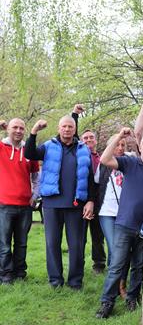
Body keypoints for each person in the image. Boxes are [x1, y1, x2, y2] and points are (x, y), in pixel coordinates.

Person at [96, 130, 143, 318]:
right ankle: (107, 302)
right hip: (124, 225)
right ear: (140, 148)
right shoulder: (129, 163)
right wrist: (119, 136)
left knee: (139, 265)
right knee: (116, 266)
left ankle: (132, 298)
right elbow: (104, 159)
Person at [24, 116, 95, 290]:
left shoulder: (83, 149)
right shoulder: (49, 146)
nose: (67, 129)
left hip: (76, 205)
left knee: (77, 245)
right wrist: (34, 132)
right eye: (64, 126)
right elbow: (29, 153)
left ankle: (75, 282)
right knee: (52, 244)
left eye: (70, 126)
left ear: (74, 128)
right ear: (59, 127)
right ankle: (55, 281)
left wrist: (91, 200)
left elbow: (90, 178)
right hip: (51, 204)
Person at [0, 119, 39, 283]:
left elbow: (36, 177)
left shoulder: (29, 151)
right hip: (4, 205)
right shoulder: (2, 147)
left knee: (22, 243)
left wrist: (34, 196)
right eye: (14, 127)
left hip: (25, 206)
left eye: (21, 128)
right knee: (4, 244)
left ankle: (20, 273)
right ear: (8, 129)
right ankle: (6, 274)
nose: (18, 130)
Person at [94, 134, 128, 297]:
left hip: (124, 213)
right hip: (107, 211)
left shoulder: (129, 162)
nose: (120, 148)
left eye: (123, 145)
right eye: (117, 145)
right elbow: (95, 185)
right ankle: (117, 286)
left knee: (119, 249)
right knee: (115, 248)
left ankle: (115, 281)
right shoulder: (104, 164)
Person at [81, 128, 106, 274]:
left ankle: (99, 264)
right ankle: (79, 263)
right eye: (85, 138)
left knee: (98, 236)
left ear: (96, 140)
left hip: (98, 201)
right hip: (81, 201)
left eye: (91, 137)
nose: (89, 140)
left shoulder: (102, 159)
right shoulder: (78, 156)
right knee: (79, 236)